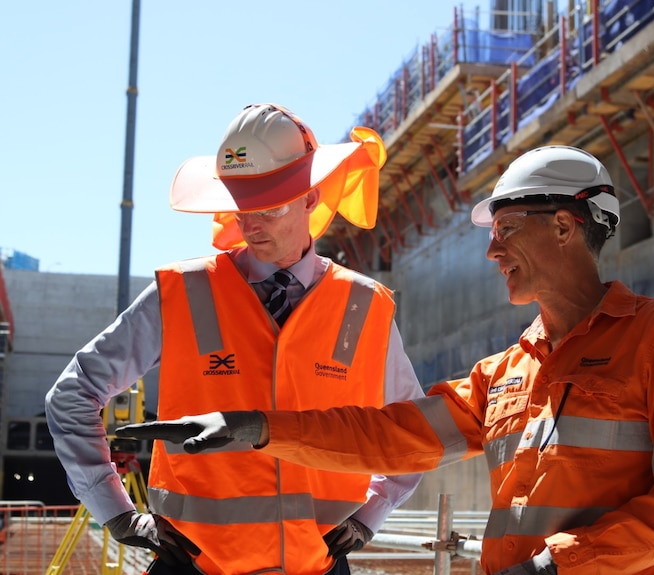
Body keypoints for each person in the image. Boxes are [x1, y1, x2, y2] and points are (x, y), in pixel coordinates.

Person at [118, 146, 654, 575]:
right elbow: (389, 434)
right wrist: (257, 429)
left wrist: (555, 566)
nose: (492, 249)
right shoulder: (507, 372)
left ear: (567, 227)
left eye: (508, 227)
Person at [45, 103, 425, 575]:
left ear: (311, 197)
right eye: (240, 205)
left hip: (318, 567)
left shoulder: (364, 307)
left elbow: (413, 426)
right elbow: (72, 393)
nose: (249, 224)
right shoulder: (183, 293)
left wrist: (373, 511)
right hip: (194, 566)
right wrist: (115, 510)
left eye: (268, 205)